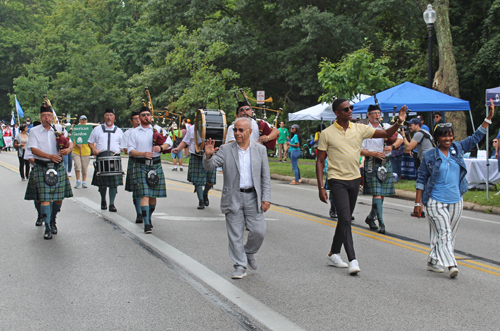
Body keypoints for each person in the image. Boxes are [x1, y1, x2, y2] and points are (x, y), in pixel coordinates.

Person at [316, 98, 407, 275]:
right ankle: (352, 259)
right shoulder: (327, 133)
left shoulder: (359, 128)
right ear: (337, 113)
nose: (350, 111)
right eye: (345, 109)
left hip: (355, 178)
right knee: (346, 219)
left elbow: (386, 132)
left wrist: (399, 121)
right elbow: (320, 160)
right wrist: (321, 186)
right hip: (337, 180)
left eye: (351, 108)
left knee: (345, 218)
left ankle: (334, 253)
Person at [414, 106, 494, 278]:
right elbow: (421, 179)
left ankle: (433, 260)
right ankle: (451, 264)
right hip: (435, 201)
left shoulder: (457, 149)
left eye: (450, 135)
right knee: (444, 233)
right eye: (444, 135)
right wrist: (417, 203)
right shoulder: (429, 156)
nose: (448, 138)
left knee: (447, 234)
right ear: (437, 138)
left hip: (456, 200)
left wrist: (487, 119)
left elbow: (475, 138)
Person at [203, 117, 271, 279]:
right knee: (235, 234)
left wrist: (266, 197)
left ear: (250, 132)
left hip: (253, 198)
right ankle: (240, 265)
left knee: (259, 231)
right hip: (233, 197)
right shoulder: (226, 149)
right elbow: (210, 166)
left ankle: (248, 252)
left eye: (241, 130)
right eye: (235, 130)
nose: (237, 133)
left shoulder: (260, 150)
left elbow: (265, 176)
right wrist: (207, 156)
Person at [24, 104, 73, 239]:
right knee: (45, 199)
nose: (47, 118)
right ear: (40, 117)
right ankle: (47, 227)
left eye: (49, 116)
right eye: (44, 116)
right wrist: (49, 156)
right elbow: (33, 149)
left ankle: (52, 219)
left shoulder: (59, 129)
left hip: (58, 167)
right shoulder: (34, 131)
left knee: (58, 199)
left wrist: (69, 150)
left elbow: (71, 142)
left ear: (53, 117)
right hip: (42, 166)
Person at [360, 105, 404, 234]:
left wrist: (393, 147)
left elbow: (400, 138)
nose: (377, 115)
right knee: (377, 193)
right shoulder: (364, 130)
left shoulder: (386, 126)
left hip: (386, 163)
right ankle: (381, 222)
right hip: (372, 162)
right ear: (368, 115)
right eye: (374, 113)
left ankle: (370, 218)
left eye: (378, 112)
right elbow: (359, 149)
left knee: (382, 194)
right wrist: (373, 154)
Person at [128, 106, 172, 234]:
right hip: (141, 165)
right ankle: (146, 223)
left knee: (153, 196)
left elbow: (169, 143)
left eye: (148, 114)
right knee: (145, 194)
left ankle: (149, 216)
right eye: (143, 115)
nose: (146, 117)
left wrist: (161, 148)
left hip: (156, 165)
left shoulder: (158, 129)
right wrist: (143, 154)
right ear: (139, 118)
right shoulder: (134, 132)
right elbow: (130, 150)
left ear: (151, 116)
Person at [172, 112, 216, 209]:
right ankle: (200, 201)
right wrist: (178, 149)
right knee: (198, 181)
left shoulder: (212, 127)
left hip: (209, 156)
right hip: (196, 156)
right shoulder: (192, 129)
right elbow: (185, 141)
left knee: (211, 181)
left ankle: (205, 194)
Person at [88, 108, 124, 212]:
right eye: (107, 115)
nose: (109, 117)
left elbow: (123, 145)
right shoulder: (97, 129)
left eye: (111, 115)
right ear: (104, 117)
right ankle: (103, 200)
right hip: (102, 157)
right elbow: (90, 142)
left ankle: (112, 203)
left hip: (114, 158)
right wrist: (94, 149)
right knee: (102, 182)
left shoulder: (119, 131)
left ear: (114, 117)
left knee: (113, 183)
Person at [121, 110, 143, 223]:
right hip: (134, 161)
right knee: (137, 188)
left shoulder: (148, 130)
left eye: (139, 118)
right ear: (131, 121)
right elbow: (126, 150)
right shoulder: (127, 134)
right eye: (135, 119)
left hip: (147, 161)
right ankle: (139, 213)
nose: (138, 120)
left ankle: (146, 211)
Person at [72, 115, 92, 189]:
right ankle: (78, 180)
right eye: (82, 120)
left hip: (85, 151)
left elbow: (91, 139)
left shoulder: (88, 129)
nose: (83, 121)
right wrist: (76, 143)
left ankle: (84, 181)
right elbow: (72, 137)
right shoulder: (76, 128)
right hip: (76, 151)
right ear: (79, 121)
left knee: (84, 167)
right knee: (77, 166)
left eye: (85, 120)